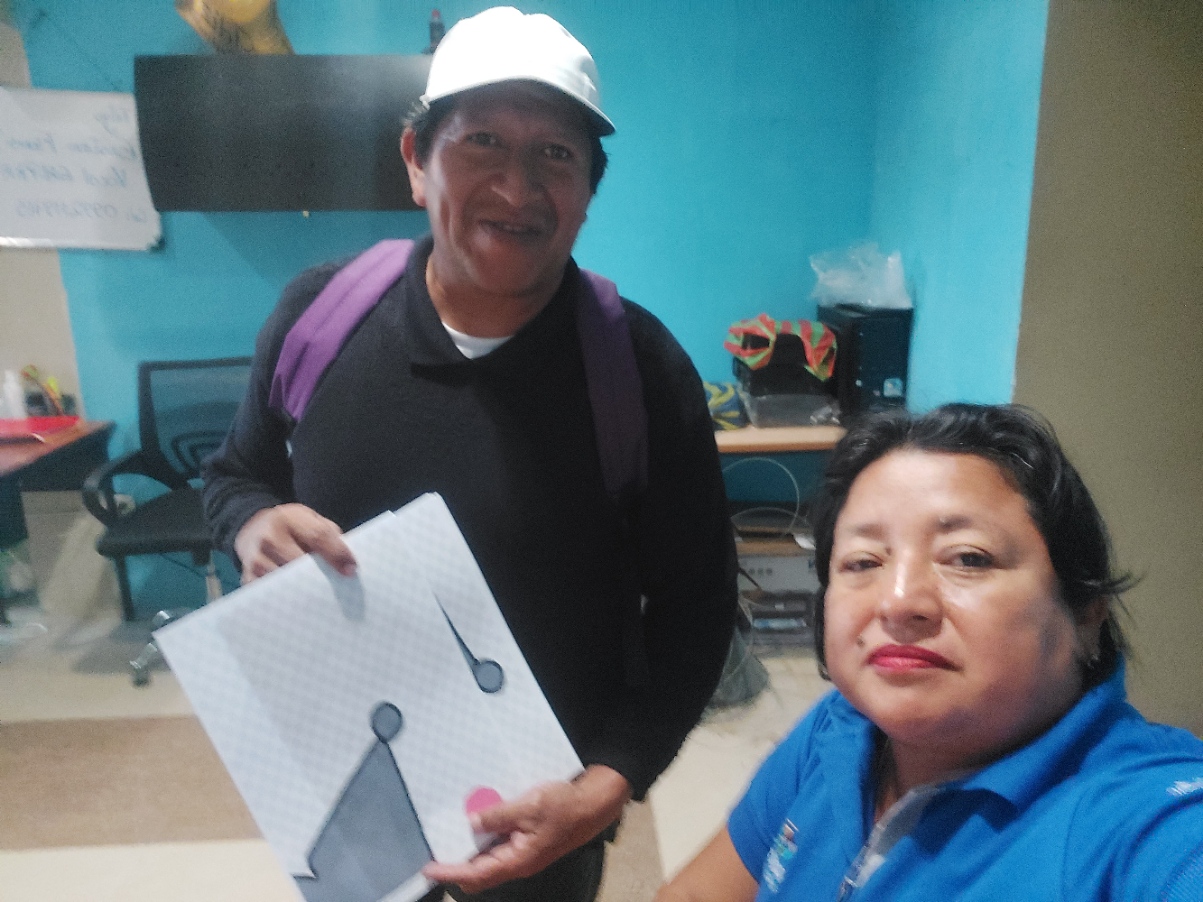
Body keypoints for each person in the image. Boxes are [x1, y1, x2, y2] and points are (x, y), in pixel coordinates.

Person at [202, 7, 738, 902]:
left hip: (541, 806)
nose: (516, 189)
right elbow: (235, 474)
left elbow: (696, 607)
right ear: (416, 160)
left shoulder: (637, 369)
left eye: (554, 155)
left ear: (589, 189)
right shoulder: (319, 319)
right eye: (481, 141)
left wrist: (608, 786)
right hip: (351, 784)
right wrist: (253, 523)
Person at [656, 403, 1203, 901]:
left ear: (1086, 614)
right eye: (863, 562)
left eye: (967, 558)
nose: (897, 602)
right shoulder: (839, 729)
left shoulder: (1142, 822)